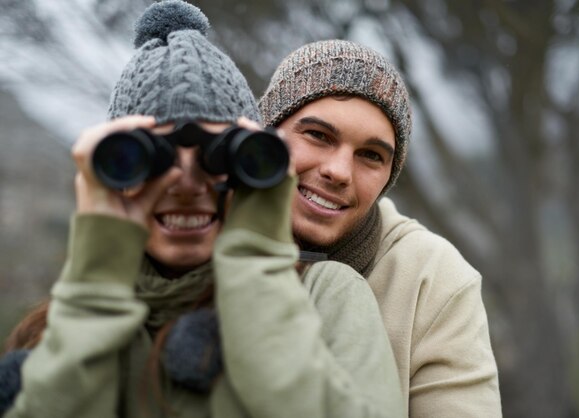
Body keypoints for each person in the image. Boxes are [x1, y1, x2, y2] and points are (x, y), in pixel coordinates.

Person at [1, 2, 404, 417]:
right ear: (113, 171)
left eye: (216, 157)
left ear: (254, 167)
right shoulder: (60, 324)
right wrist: (98, 275)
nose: (188, 184)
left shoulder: (326, 295)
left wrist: (254, 265)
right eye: (157, 159)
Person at [258, 39, 502, 417]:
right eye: (318, 136)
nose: (338, 172)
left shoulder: (432, 278)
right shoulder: (191, 233)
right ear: (266, 136)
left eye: (370, 156)